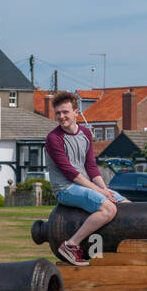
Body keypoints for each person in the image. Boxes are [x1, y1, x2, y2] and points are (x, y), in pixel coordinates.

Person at [44, 90, 128, 266]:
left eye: (65, 112)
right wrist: (100, 192)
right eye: (58, 113)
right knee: (108, 209)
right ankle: (70, 244)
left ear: (76, 112)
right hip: (66, 189)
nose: (61, 116)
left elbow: (91, 167)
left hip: (86, 185)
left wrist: (104, 190)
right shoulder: (53, 138)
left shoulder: (86, 134)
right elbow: (70, 173)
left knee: (128, 206)